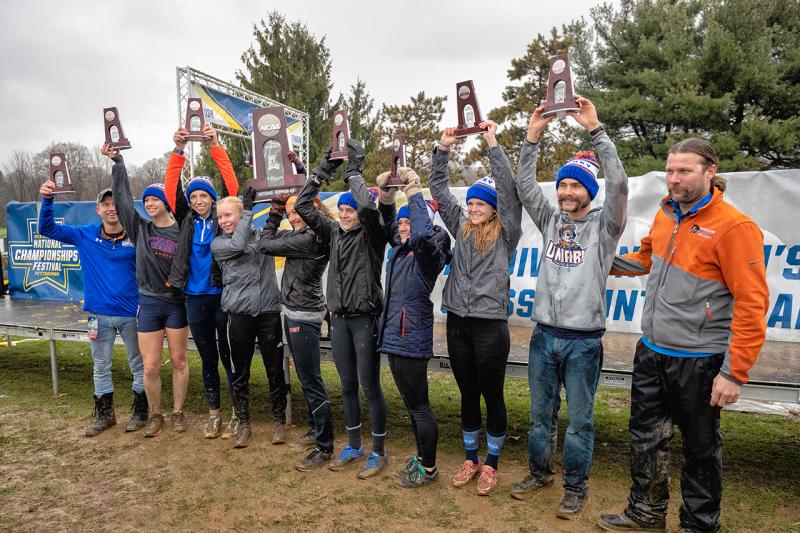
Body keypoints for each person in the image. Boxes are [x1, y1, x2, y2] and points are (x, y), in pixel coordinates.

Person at [598, 139, 769, 533]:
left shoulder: (734, 227)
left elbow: (752, 302)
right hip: (652, 350)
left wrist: (733, 373)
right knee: (645, 437)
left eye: (684, 171)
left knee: (701, 447)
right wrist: (602, 262)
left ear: (710, 171)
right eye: (670, 170)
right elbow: (644, 257)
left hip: (700, 359)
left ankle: (699, 523)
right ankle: (645, 512)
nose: (674, 179)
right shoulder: (665, 213)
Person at [509, 98, 628, 518]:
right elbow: (525, 187)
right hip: (544, 338)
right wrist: (532, 136)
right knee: (541, 417)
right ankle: (540, 473)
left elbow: (619, 186)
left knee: (580, 423)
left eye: (575, 186)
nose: (566, 191)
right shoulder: (551, 220)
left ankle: (576, 487)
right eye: (562, 185)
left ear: (589, 193)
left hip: (583, 343)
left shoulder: (605, 226)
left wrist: (596, 130)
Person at [430, 120, 523, 495]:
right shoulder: (461, 227)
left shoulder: (507, 232)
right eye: (469, 203)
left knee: (492, 394)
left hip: (490, 326)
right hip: (457, 322)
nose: (472, 209)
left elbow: (510, 192)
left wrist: (492, 144)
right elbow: (438, 189)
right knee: (467, 393)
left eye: (479, 204)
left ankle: (494, 464)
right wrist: (442, 148)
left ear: (494, 208)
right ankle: (471, 458)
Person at [294, 140, 390, 479]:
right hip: (338, 320)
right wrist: (323, 170)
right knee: (347, 385)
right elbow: (304, 206)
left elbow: (368, 206)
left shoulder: (373, 234)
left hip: (364, 320)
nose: (347, 214)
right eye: (343, 210)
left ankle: (378, 450)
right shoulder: (333, 231)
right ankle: (354, 444)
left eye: (351, 210)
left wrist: (353, 171)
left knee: (369, 385)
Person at [37, 181, 146, 436]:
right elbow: (47, 228)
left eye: (116, 204)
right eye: (106, 204)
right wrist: (48, 200)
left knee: (139, 366)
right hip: (98, 315)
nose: (111, 209)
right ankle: (105, 416)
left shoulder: (137, 236)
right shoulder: (85, 234)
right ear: (97, 209)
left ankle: (141, 413)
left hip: (132, 314)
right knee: (100, 366)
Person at [375, 167, 451, 488]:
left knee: (420, 407)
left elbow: (421, 234)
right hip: (394, 338)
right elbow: (389, 223)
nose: (403, 228)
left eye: (410, 221)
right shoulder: (403, 245)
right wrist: (387, 195)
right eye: (402, 223)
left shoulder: (430, 250)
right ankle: (421, 459)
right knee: (410, 405)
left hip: (412, 338)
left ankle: (429, 469)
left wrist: (415, 191)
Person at [106, 144, 189, 438]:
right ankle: (156, 415)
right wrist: (118, 163)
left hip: (177, 304)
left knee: (179, 361)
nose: (151, 203)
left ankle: (178, 412)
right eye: (148, 200)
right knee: (150, 366)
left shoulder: (182, 229)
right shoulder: (140, 228)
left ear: (167, 203)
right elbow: (123, 201)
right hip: (150, 303)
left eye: (156, 199)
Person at [164, 124, 240, 439]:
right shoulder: (186, 219)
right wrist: (179, 150)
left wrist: (216, 146)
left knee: (229, 356)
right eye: (193, 196)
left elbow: (233, 189)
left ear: (212, 199)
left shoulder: (223, 220)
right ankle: (213, 415)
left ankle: (239, 413)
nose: (198, 200)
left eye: (203, 196)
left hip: (222, 294)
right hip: (194, 297)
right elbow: (171, 191)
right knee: (207, 357)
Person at [258, 184, 337, 471]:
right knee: (307, 379)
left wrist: (273, 212)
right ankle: (316, 431)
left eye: (296, 212)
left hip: (304, 315)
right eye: (288, 213)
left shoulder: (310, 239)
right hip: (295, 310)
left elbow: (264, 243)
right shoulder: (302, 235)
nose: (292, 217)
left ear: (313, 210)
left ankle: (324, 446)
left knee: (312, 381)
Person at [210, 193, 288, 448]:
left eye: (228, 215)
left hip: (268, 311)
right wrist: (247, 211)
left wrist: (276, 210)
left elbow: (273, 234)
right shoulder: (219, 244)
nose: (222, 220)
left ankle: (279, 422)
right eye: (220, 216)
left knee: (275, 370)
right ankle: (244, 424)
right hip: (238, 313)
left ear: (240, 213)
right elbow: (237, 245)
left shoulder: (262, 237)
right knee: (239, 371)